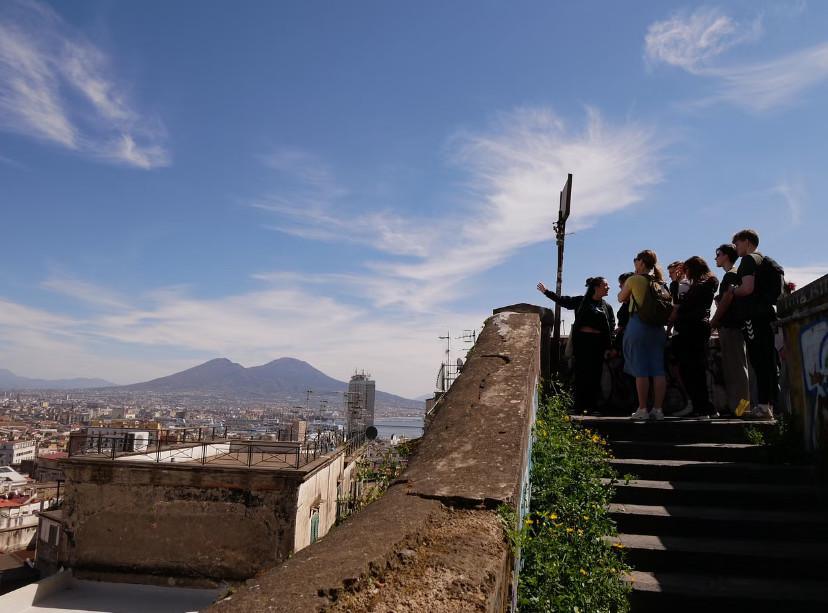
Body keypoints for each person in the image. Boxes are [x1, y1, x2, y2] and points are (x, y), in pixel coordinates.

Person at [537, 278, 615, 413]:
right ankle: (579, 406)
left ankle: (593, 406)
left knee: (596, 374)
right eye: (605, 285)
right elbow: (563, 301)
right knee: (581, 373)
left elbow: (611, 325)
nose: (608, 287)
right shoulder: (581, 301)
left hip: (598, 343)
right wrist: (546, 292)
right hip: (583, 343)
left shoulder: (606, 306)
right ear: (596, 287)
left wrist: (609, 347)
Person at [729, 229, 779, 420]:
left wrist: (734, 290)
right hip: (765, 315)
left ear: (747, 242)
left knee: (759, 362)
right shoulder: (765, 260)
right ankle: (768, 406)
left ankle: (763, 407)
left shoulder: (749, 260)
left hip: (753, 318)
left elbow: (747, 288)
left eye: (738, 243)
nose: (736, 248)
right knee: (767, 362)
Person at [617, 250, 669, 420]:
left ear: (641, 263)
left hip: (638, 325)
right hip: (658, 328)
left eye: (636, 260)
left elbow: (620, 297)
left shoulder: (634, 279)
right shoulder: (660, 282)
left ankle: (642, 409)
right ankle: (658, 410)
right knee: (658, 369)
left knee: (641, 369)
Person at [672, 256, 719, 418]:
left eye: (686, 269)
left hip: (692, 329)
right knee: (694, 369)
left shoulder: (705, 284)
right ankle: (706, 407)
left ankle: (702, 407)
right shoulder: (704, 284)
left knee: (692, 370)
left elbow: (683, 305)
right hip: (695, 328)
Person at [710, 243, 751, 417]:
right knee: (734, 370)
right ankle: (738, 408)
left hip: (732, 328)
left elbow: (727, 298)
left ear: (726, 255)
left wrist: (715, 319)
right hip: (731, 328)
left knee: (738, 371)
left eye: (718, 254)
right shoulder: (731, 275)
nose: (715, 258)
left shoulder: (731, 275)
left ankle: (742, 410)